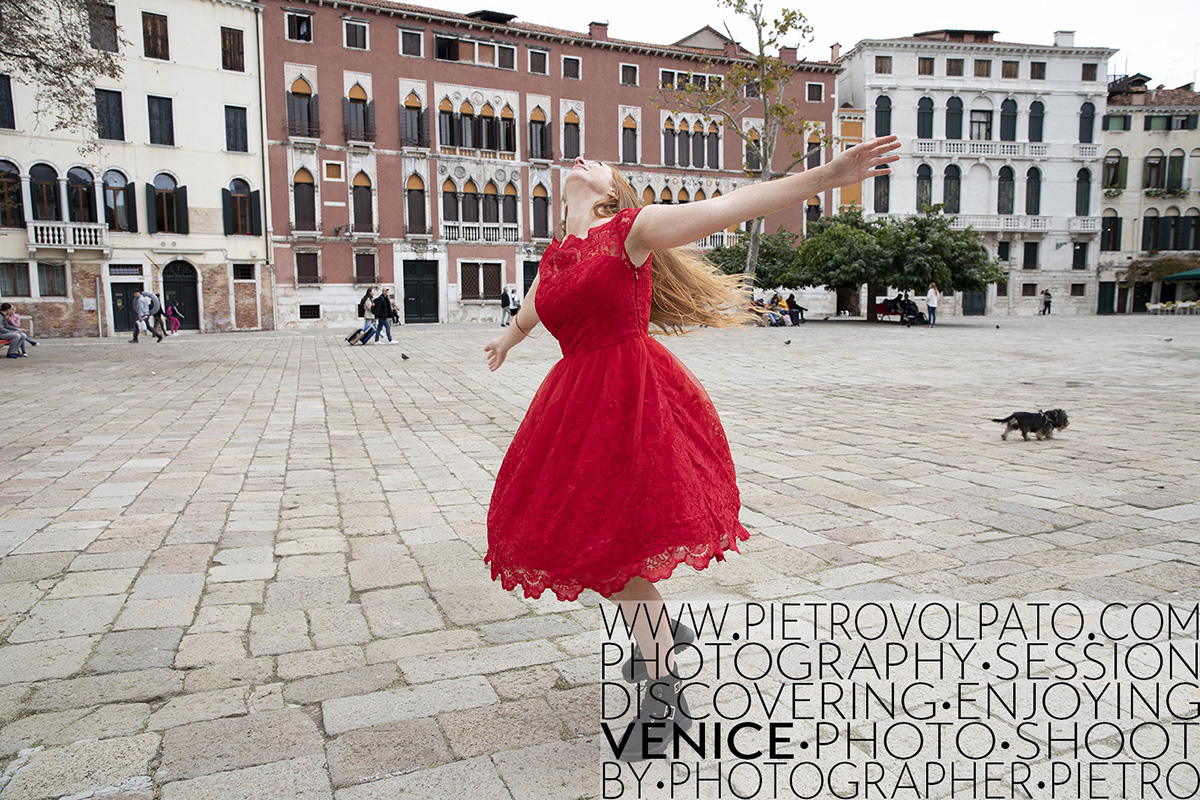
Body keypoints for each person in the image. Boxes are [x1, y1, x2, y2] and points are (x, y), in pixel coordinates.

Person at [483, 136, 900, 758]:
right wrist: (506, 343)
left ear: (609, 193)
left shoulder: (634, 228)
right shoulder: (553, 259)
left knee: (615, 552)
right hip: (574, 407)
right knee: (587, 539)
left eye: (597, 164)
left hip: (631, 401)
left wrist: (826, 177)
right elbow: (533, 311)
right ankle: (659, 632)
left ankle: (664, 695)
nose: (583, 161)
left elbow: (734, 205)